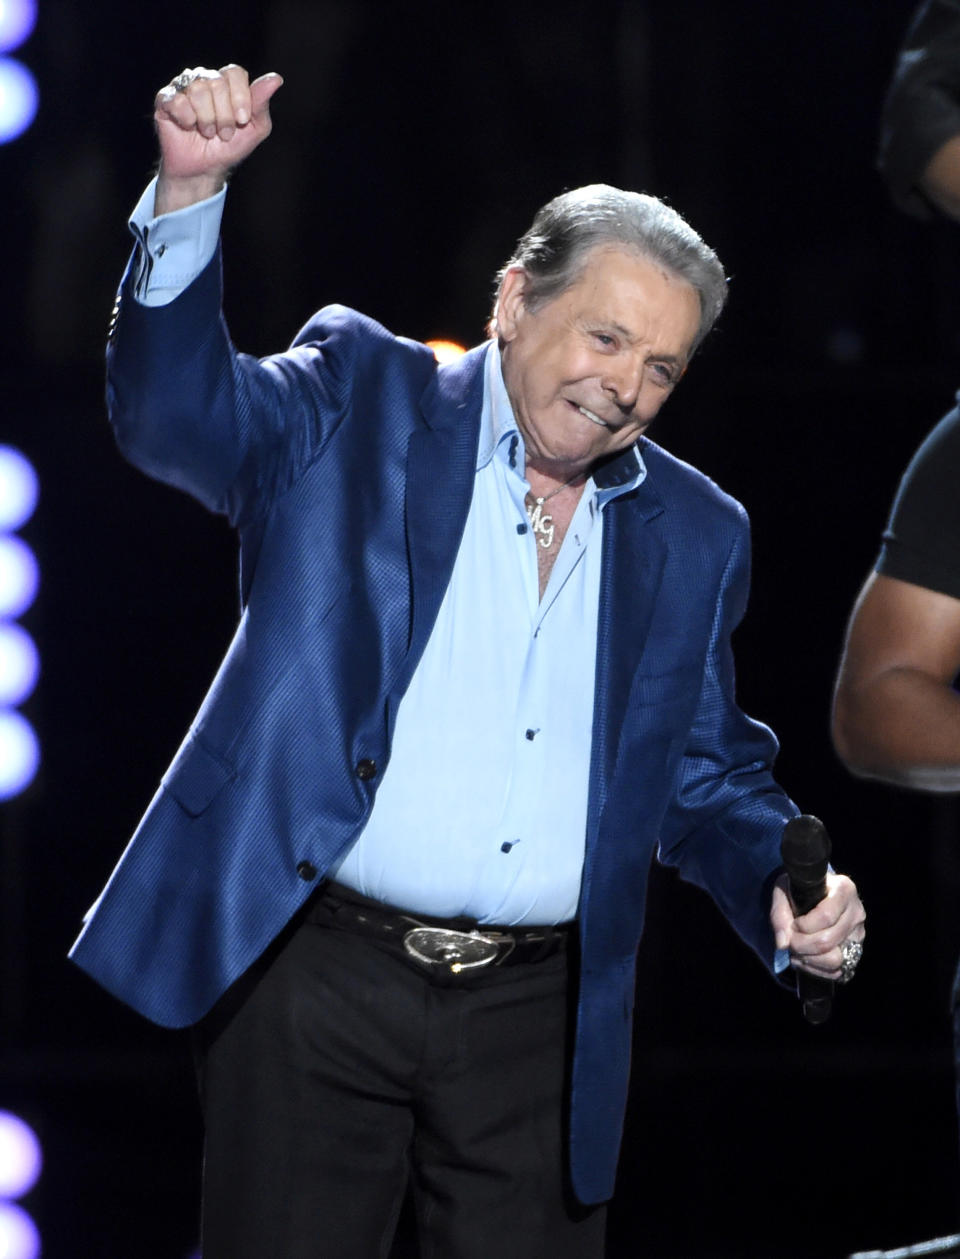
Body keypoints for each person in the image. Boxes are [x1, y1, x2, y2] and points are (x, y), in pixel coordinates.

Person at [72, 64, 865, 1259]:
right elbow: (177, 419)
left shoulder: (697, 531)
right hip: (314, 975)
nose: (624, 389)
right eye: (606, 337)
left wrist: (783, 892)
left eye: (662, 368)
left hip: (537, 1021)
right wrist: (189, 193)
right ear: (513, 299)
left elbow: (701, 777)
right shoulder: (359, 395)